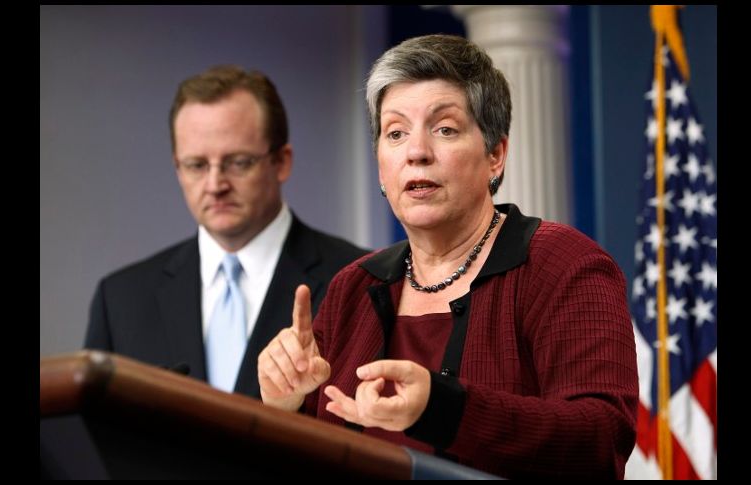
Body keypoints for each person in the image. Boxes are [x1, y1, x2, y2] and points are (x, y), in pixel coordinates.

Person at [257, 35, 638, 479]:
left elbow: (601, 440)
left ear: (495, 154)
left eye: (445, 129)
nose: (416, 153)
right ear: (381, 167)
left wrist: (443, 408)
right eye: (395, 133)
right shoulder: (354, 288)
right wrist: (287, 404)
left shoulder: (562, 264)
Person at [85, 66, 368, 398]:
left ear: (282, 162)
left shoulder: (357, 282)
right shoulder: (121, 299)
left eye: (238, 162)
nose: (215, 185)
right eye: (196, 165)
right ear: (178, 168)